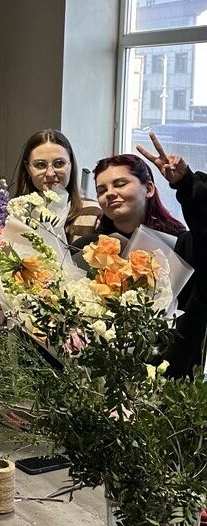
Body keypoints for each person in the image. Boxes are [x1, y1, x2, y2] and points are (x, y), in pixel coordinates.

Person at [77, 142, 207, 379]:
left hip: (172, 380)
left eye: (120, 183)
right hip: (104, 381)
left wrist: (186, 183)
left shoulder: (183, 246)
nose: (110, 193)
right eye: (101, 190)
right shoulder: (87, 250)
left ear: (148, 189)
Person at [14, 129, 101, 242]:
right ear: (28, 168)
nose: (50, 173)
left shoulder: (93, 213)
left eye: (59, 163)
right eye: (40, 165)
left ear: (71, 165)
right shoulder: (16, 213)